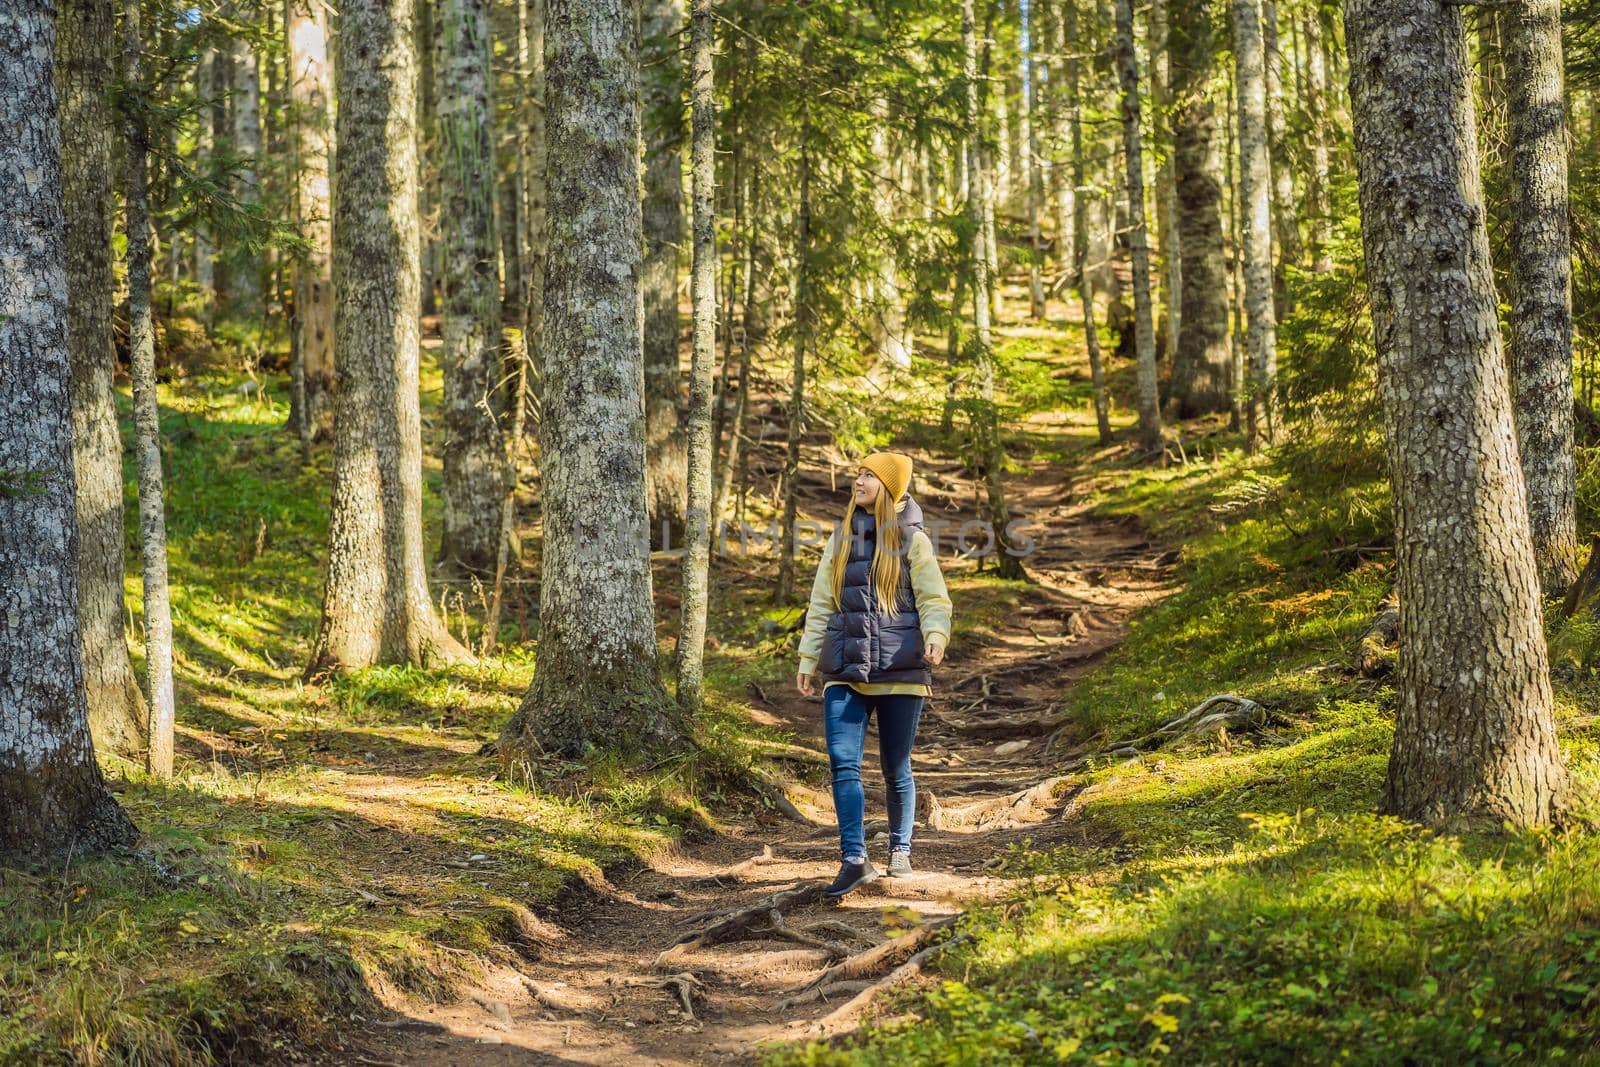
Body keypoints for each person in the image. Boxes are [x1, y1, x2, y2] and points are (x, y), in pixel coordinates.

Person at [796, 452, 953, 898]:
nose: (858, 480)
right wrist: (810, 659)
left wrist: (937, 636)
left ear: (889, 487)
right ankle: (853, 859)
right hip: (845, 669)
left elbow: (934, 598)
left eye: (868, 475)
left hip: (900, 671)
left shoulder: (912, 540)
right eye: (858, 473)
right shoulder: (841, 538)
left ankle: (900, 848)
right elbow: (822, 602)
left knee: (894, 768)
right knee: (843, 764)